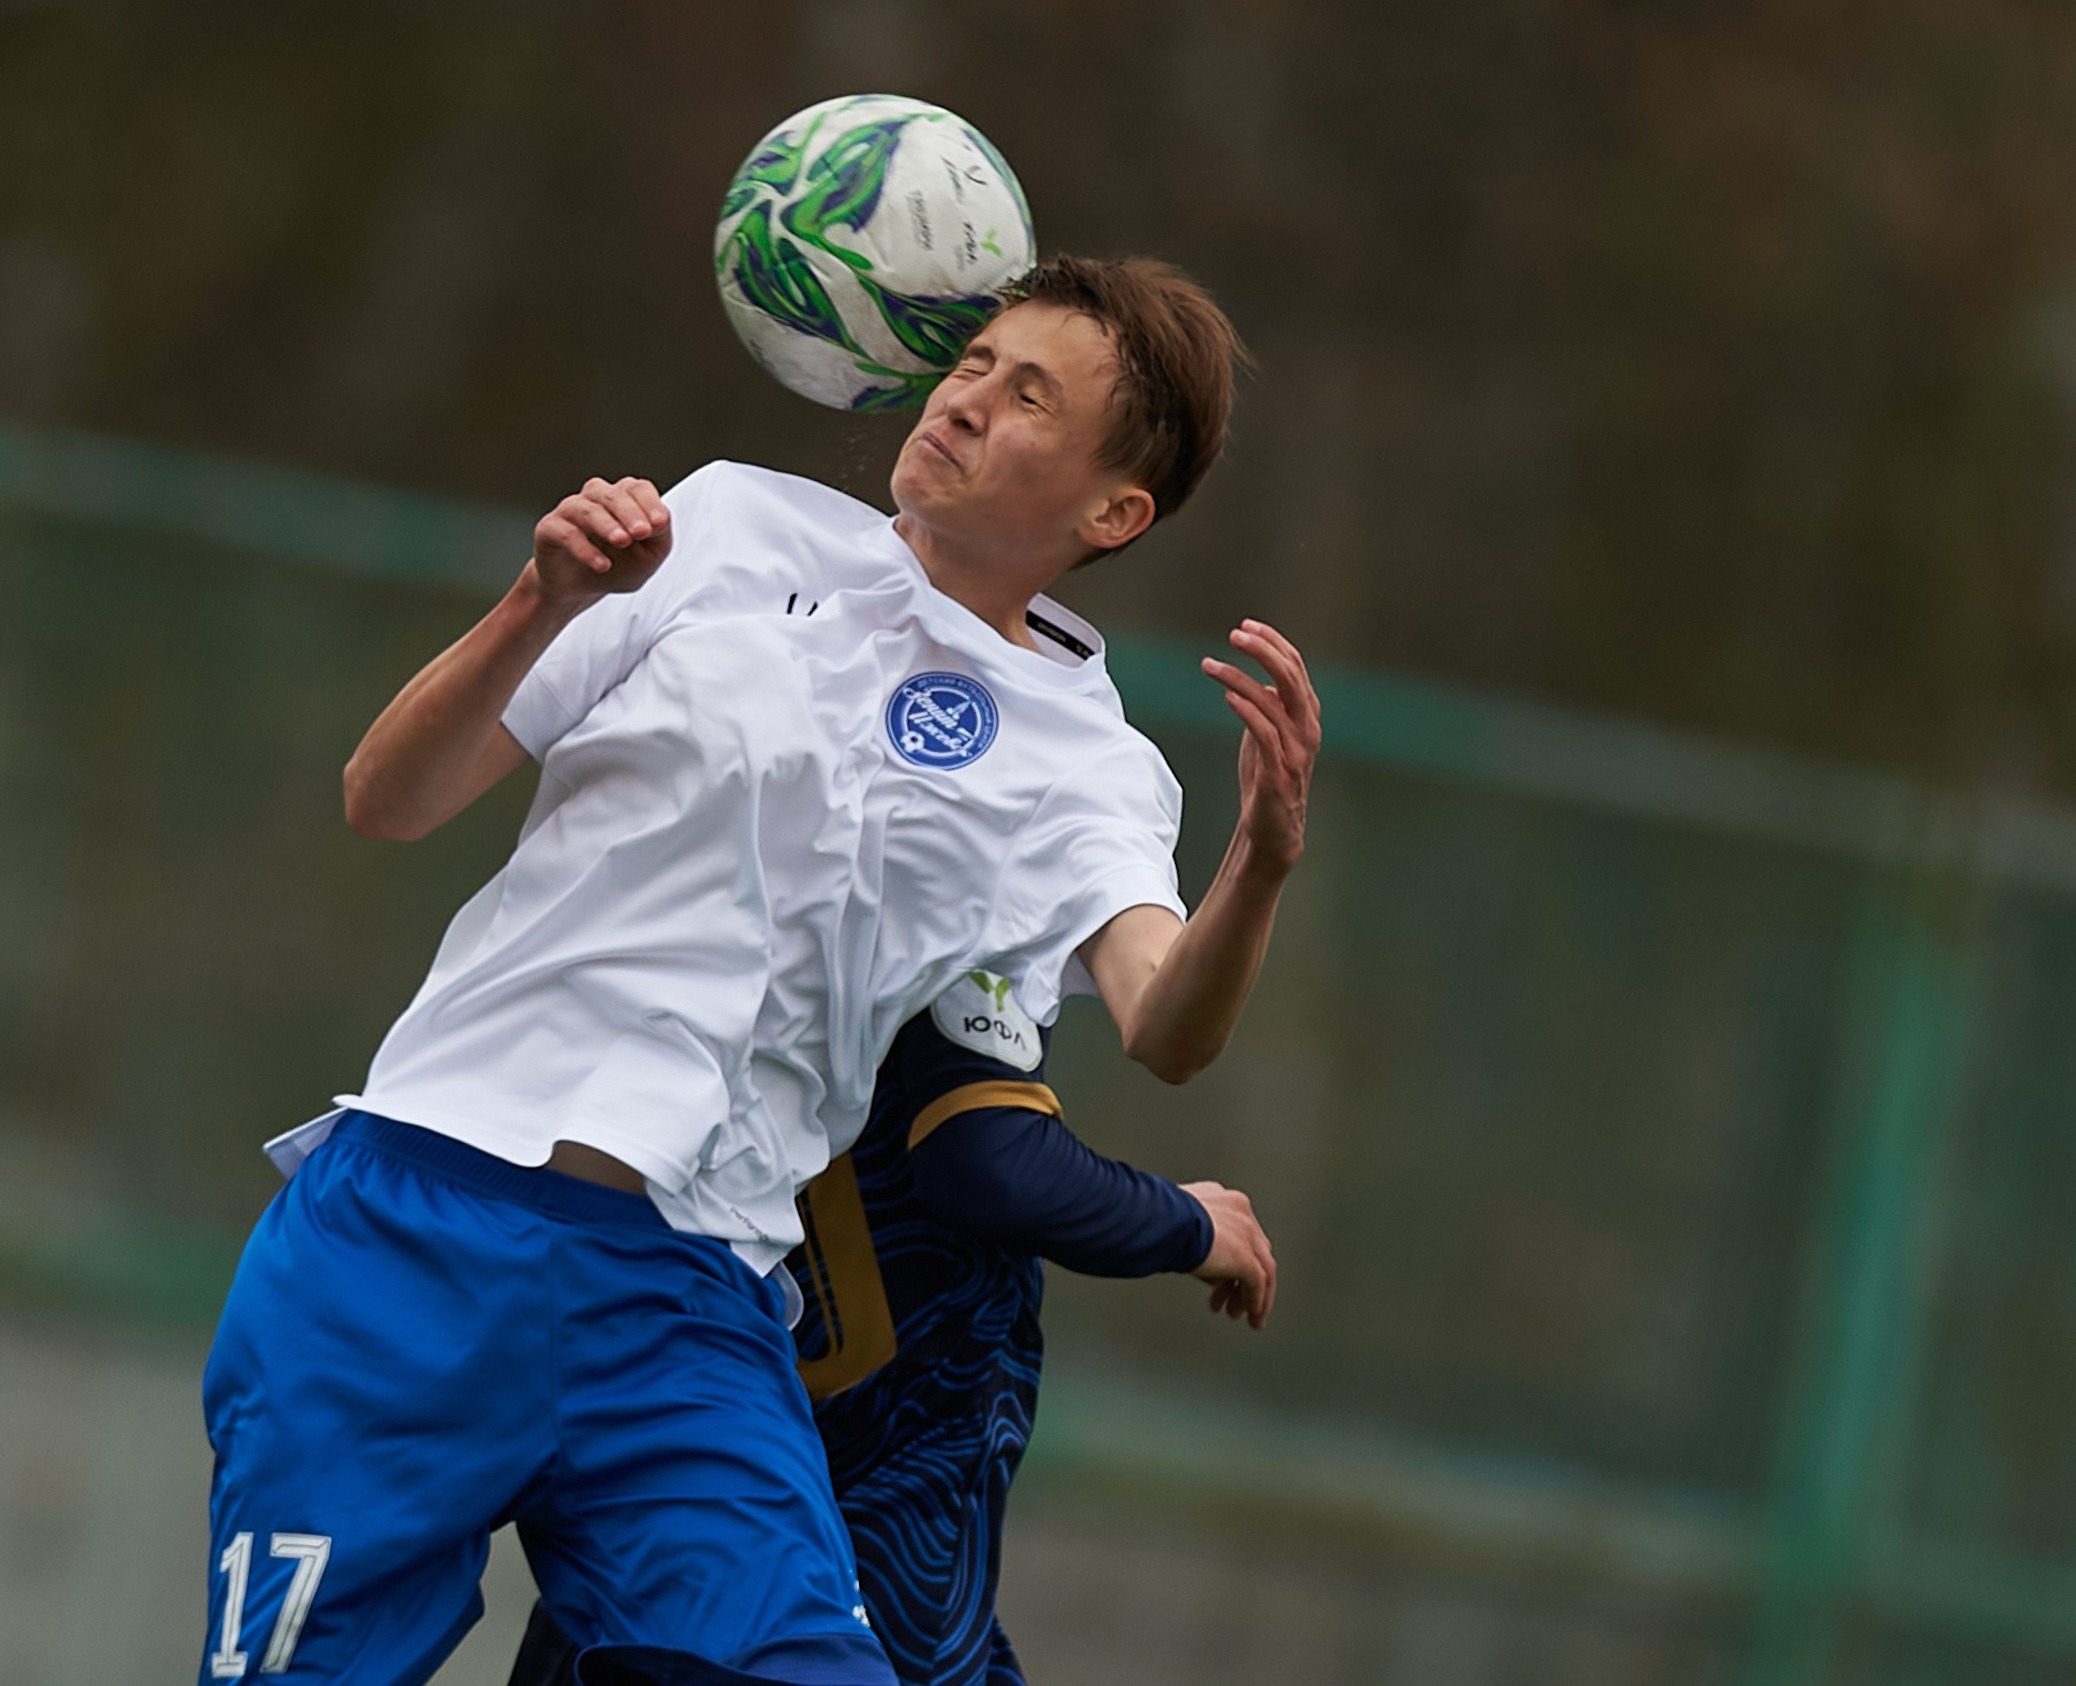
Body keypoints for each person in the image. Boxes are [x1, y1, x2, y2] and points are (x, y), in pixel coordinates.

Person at [200, 257, 1320, 1686]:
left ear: (1112, 512)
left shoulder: (1087, 760)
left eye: (1026, 392)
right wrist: (537, 601)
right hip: (424, 1227)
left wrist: (1264, 857)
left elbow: (1166, 1021)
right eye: (970, 361)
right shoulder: (721, 521)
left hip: (688, 1301)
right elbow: (387, 794)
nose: (966, 399)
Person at [505, 976, 1276, 1686]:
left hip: (700, 1408)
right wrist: (1185, 1222)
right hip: (865, 1455)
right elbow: (988, 1160)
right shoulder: (956, 862)